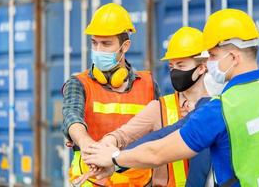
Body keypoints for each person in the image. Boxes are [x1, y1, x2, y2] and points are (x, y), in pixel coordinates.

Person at [81, 8, 259, 187]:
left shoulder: (221, 109)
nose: (209, 62)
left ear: (233, 57)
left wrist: (115, 158)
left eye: (212, 55)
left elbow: (158, 152)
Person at [75, 26, 225, 186]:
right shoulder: (159, 108)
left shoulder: (218, 109)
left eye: (181, 66)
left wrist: (115, 158)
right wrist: (107, 147)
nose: (175, 72)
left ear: (202, 67)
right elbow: (124, 135)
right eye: (171, 67)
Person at [62, 3, 160, 186]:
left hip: (140, 182)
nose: (98, 50)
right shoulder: (79, 83)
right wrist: (84, 142)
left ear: (125, 46)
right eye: (94, 43)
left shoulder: (148, 85)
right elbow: (71, 115)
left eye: (106, 43)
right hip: (91, 181)